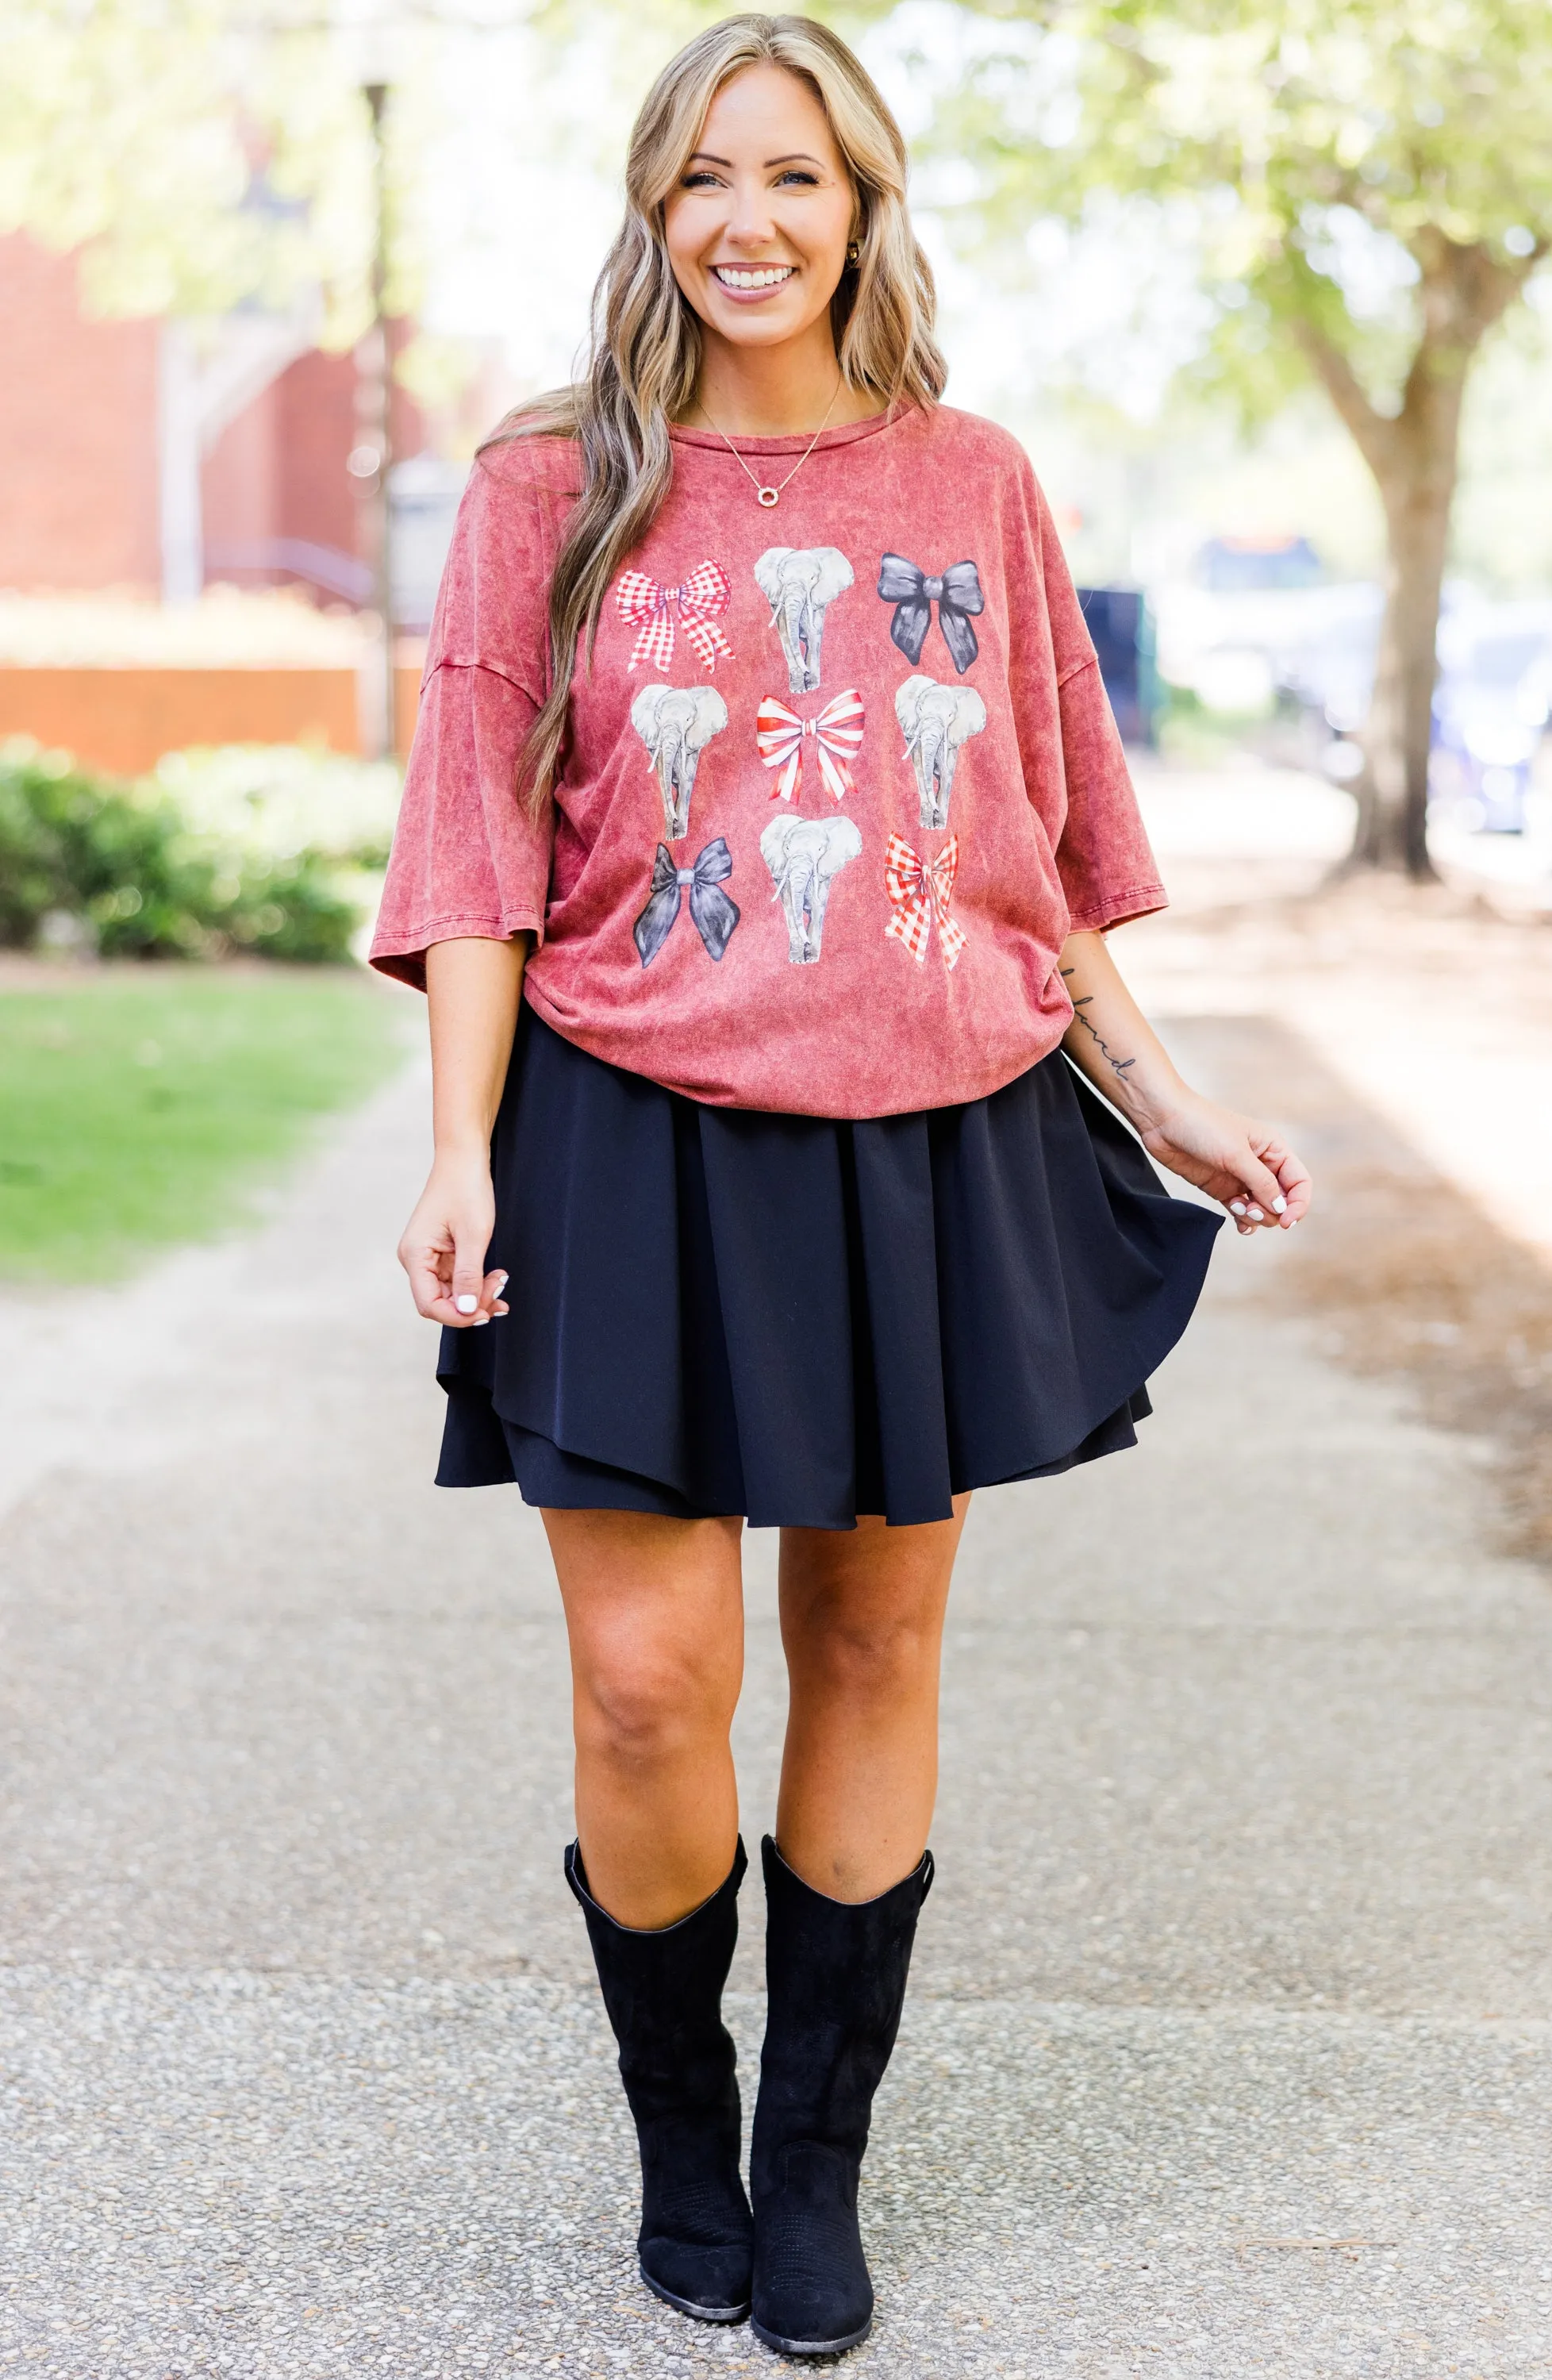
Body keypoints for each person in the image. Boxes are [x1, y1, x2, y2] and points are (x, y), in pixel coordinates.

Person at [371, 13, 1311, 2359]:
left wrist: (1163, 1090)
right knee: (646, 1684)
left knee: (875, 1645)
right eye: (705, 177)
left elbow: (1023, 851)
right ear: (649, 208)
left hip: (925, 1137)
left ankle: (812, 2173)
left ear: (865, 207)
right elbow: (480, 855)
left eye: (795, 176)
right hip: (626, 1136)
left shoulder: (971, 482)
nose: (748, 220)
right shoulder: (540, 489)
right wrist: (460, 1147)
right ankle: (677, 2127)